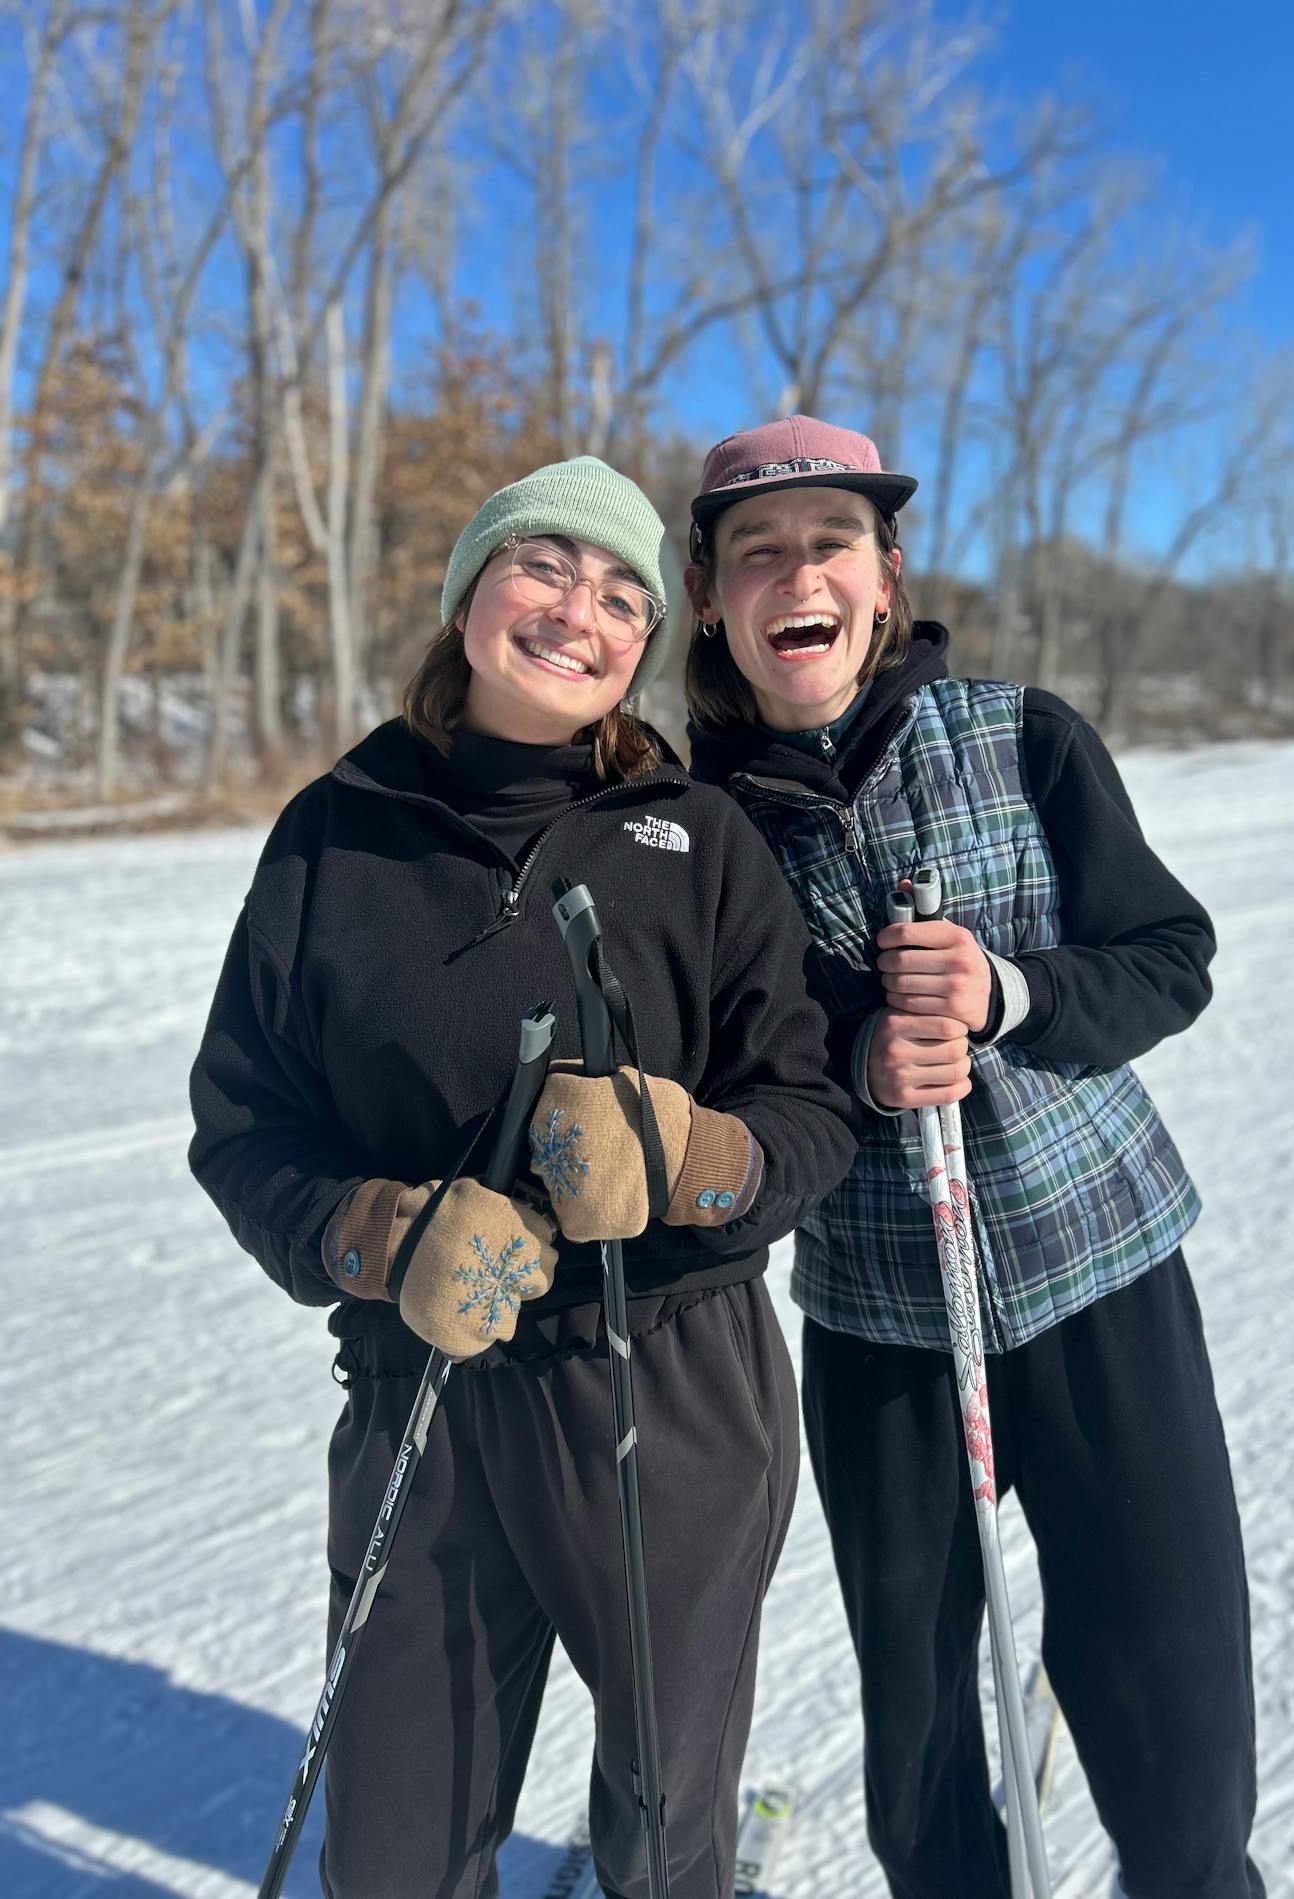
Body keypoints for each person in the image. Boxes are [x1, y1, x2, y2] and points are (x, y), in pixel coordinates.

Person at [188, 454, 857, 1899]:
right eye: (544, 566)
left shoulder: (702, 840)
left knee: (666, 1815)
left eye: (622, 592)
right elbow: (243, 1125)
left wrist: (695, 1153)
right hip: (418, 1376)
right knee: (395, 1847)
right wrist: (373, 1234)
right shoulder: (333, 831)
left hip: (668, 1380)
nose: (581, 611)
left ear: (644, 646)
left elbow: (809, 1111)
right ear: (471, 596)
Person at [683, 415, 1264, 1899]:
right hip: (880, 1310)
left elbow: (1168, 958)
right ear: (708, 598)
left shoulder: (1023, 733)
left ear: (885, 575)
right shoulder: (691, 826)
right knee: (924, 1710)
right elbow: (720, 1068)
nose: (793, 574)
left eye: (829, 543)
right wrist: (857, 1060)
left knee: (1170, 1685)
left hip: (1100, 1271)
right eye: (756, 551)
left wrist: (1016, 993)